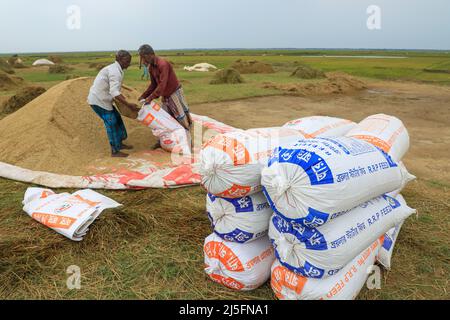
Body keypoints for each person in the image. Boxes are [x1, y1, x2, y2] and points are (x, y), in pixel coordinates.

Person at [138, 44, 193, 149]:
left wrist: (150, 98)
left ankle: (188, 142)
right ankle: (162, 140)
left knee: (180, 118)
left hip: (174, 93)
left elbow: (162, 84)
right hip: (165, 95)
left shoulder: (163, 64)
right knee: (163, 120)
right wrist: (143, 96)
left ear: (150, 54)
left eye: (143, 56)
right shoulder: (151, 68)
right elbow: (153, 85)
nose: (142, 59)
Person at [87, 50, 139, 158]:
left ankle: (119, 143)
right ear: (120, 59)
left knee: (116, 118)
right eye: (127, 60)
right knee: (111, 122)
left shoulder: (117, 70)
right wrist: (128, 105)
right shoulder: (115, 71)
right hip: (98, 100)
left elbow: (115, 89)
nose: (129, 63)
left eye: (129, 61)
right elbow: (114, 92)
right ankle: (114, 151)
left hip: (104, 99)